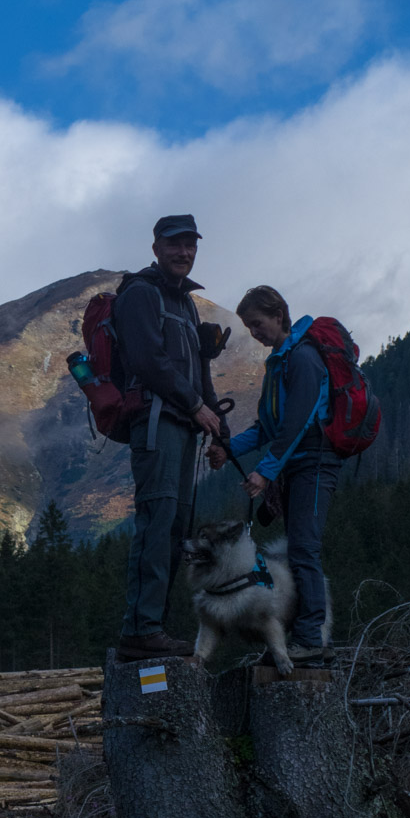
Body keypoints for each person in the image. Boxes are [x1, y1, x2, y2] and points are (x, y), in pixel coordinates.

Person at [207, 284, 340, 667]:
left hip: (316, 461)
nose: (254, 332)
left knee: (303, 550)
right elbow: (267, 427)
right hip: (298, 463)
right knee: (299, 548)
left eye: (258, 323)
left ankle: (311, 639)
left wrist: (264, 473)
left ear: (279, 315)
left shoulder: (303, 359)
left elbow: (296, 424)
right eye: (249, 327)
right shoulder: (280, 363)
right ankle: (303, 639)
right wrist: (227, 448)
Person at [113, 214, 222, 663]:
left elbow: (200, 371)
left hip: (185, 428)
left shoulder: (186, 305)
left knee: (175, 530)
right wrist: (195, 405)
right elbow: (148, 361)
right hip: (158, 425)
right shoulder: (141, 294)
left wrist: (220, 431)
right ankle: (140, 629)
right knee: (157, 523)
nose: (184, 252)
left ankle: (152, 626)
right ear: (156, 247)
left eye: (190, 245)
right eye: (175, 244)